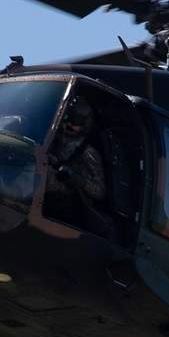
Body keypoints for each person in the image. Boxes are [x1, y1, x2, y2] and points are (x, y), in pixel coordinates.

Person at [45, 96, 111, 237]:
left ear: (85, 124)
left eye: (76, 121)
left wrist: (76, 178)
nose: (69, 124)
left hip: (70, 197)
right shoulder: (55, 137)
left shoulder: (88, 152)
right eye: (68, 118)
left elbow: (100, 191)